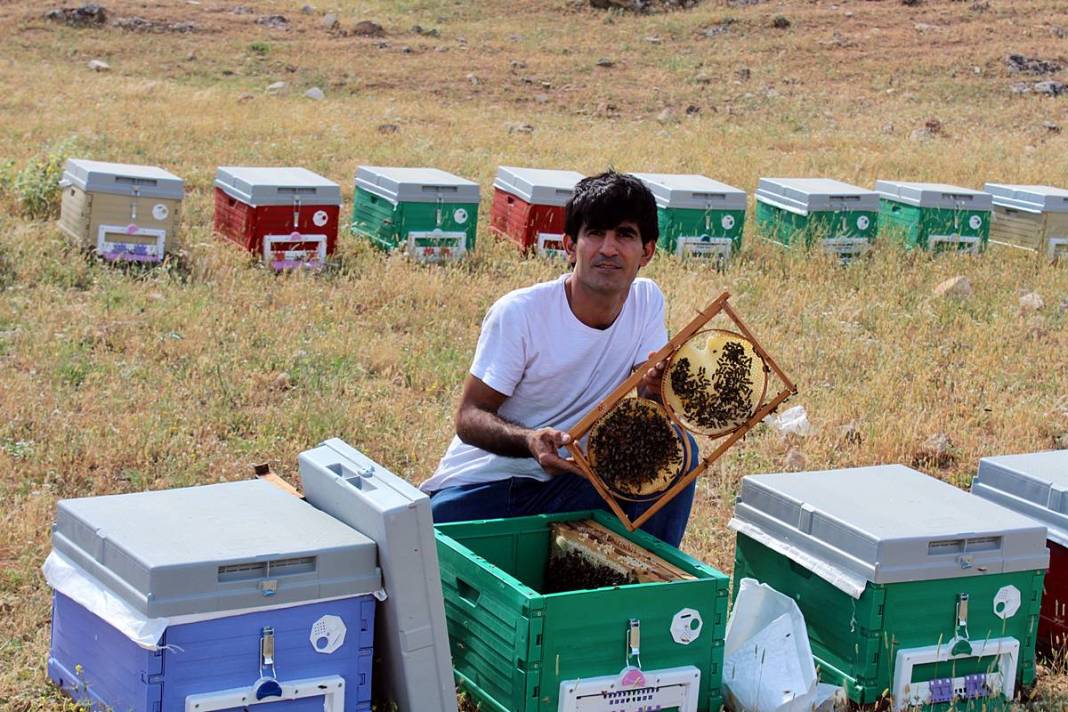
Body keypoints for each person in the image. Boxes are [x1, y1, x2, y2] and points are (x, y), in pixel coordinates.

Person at [419, 171, 697, 547]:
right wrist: (531, 441)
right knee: (429, 543)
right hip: (488, 486)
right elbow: (469, 418)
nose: (608, 249)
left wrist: (654, 388)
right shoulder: (520, 313)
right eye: (595, 233)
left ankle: (647, 581)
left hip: (575, 483)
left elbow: (647, 403)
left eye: (625, 235)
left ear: (647, 251)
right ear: (570, 245)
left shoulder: (647, 301)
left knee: (677, 448)